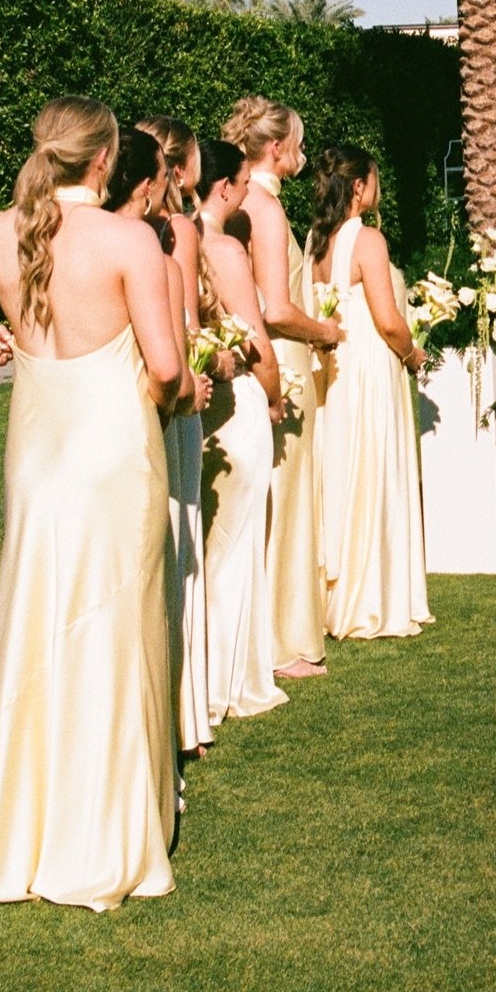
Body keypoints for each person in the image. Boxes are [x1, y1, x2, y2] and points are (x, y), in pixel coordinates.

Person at [0, 96, 184, 910]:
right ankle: (99, 832)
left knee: (38, 620)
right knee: (112, 625)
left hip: (36, 453)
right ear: (107, 159)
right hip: (113, 450)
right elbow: (169, 366)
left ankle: (29, 836)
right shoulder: (128, 238)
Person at [224, 97, 342, 680]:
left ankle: (264, 630)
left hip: (261, 359)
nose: (300, 152)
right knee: (287, 499)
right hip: (285, 361)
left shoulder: (238, 198)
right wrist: (325, 330)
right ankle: (286, 640)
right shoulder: (265, 207)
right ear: (276, 149)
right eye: (296, 142)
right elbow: (274, 308)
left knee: (268, 497)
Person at [105, 127, 214, 760]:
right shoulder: (152, 247)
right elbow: (169, 364)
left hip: (61, 440)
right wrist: (181, 395)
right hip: (148, 423)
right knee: (165, 565)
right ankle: (171, 722)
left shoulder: (44, 239)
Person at [306, 146, 432, 641]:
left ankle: (333, 594)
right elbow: (387, 320)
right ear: (359, 186)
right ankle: (372, 597)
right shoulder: (368, 240)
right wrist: (414, 354)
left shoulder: (316, 238)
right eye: (374, 179)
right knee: (373, 469)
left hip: (333, 371)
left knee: (338, 469)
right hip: (370, 370)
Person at [197, 138, 288, 725]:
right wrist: (277, 393)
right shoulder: (224, 248)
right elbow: (256, 341)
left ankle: (202, 677)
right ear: (227, 187)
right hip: (237, 401)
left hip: (199, 413)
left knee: (208, 542)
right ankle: (228, 680)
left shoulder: (172, 234)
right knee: (235, 542)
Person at [138, 116, 215, 756]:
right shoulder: (175, 232)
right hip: (174, 398)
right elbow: (184, 323)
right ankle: (181, 715)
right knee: (178, 546)